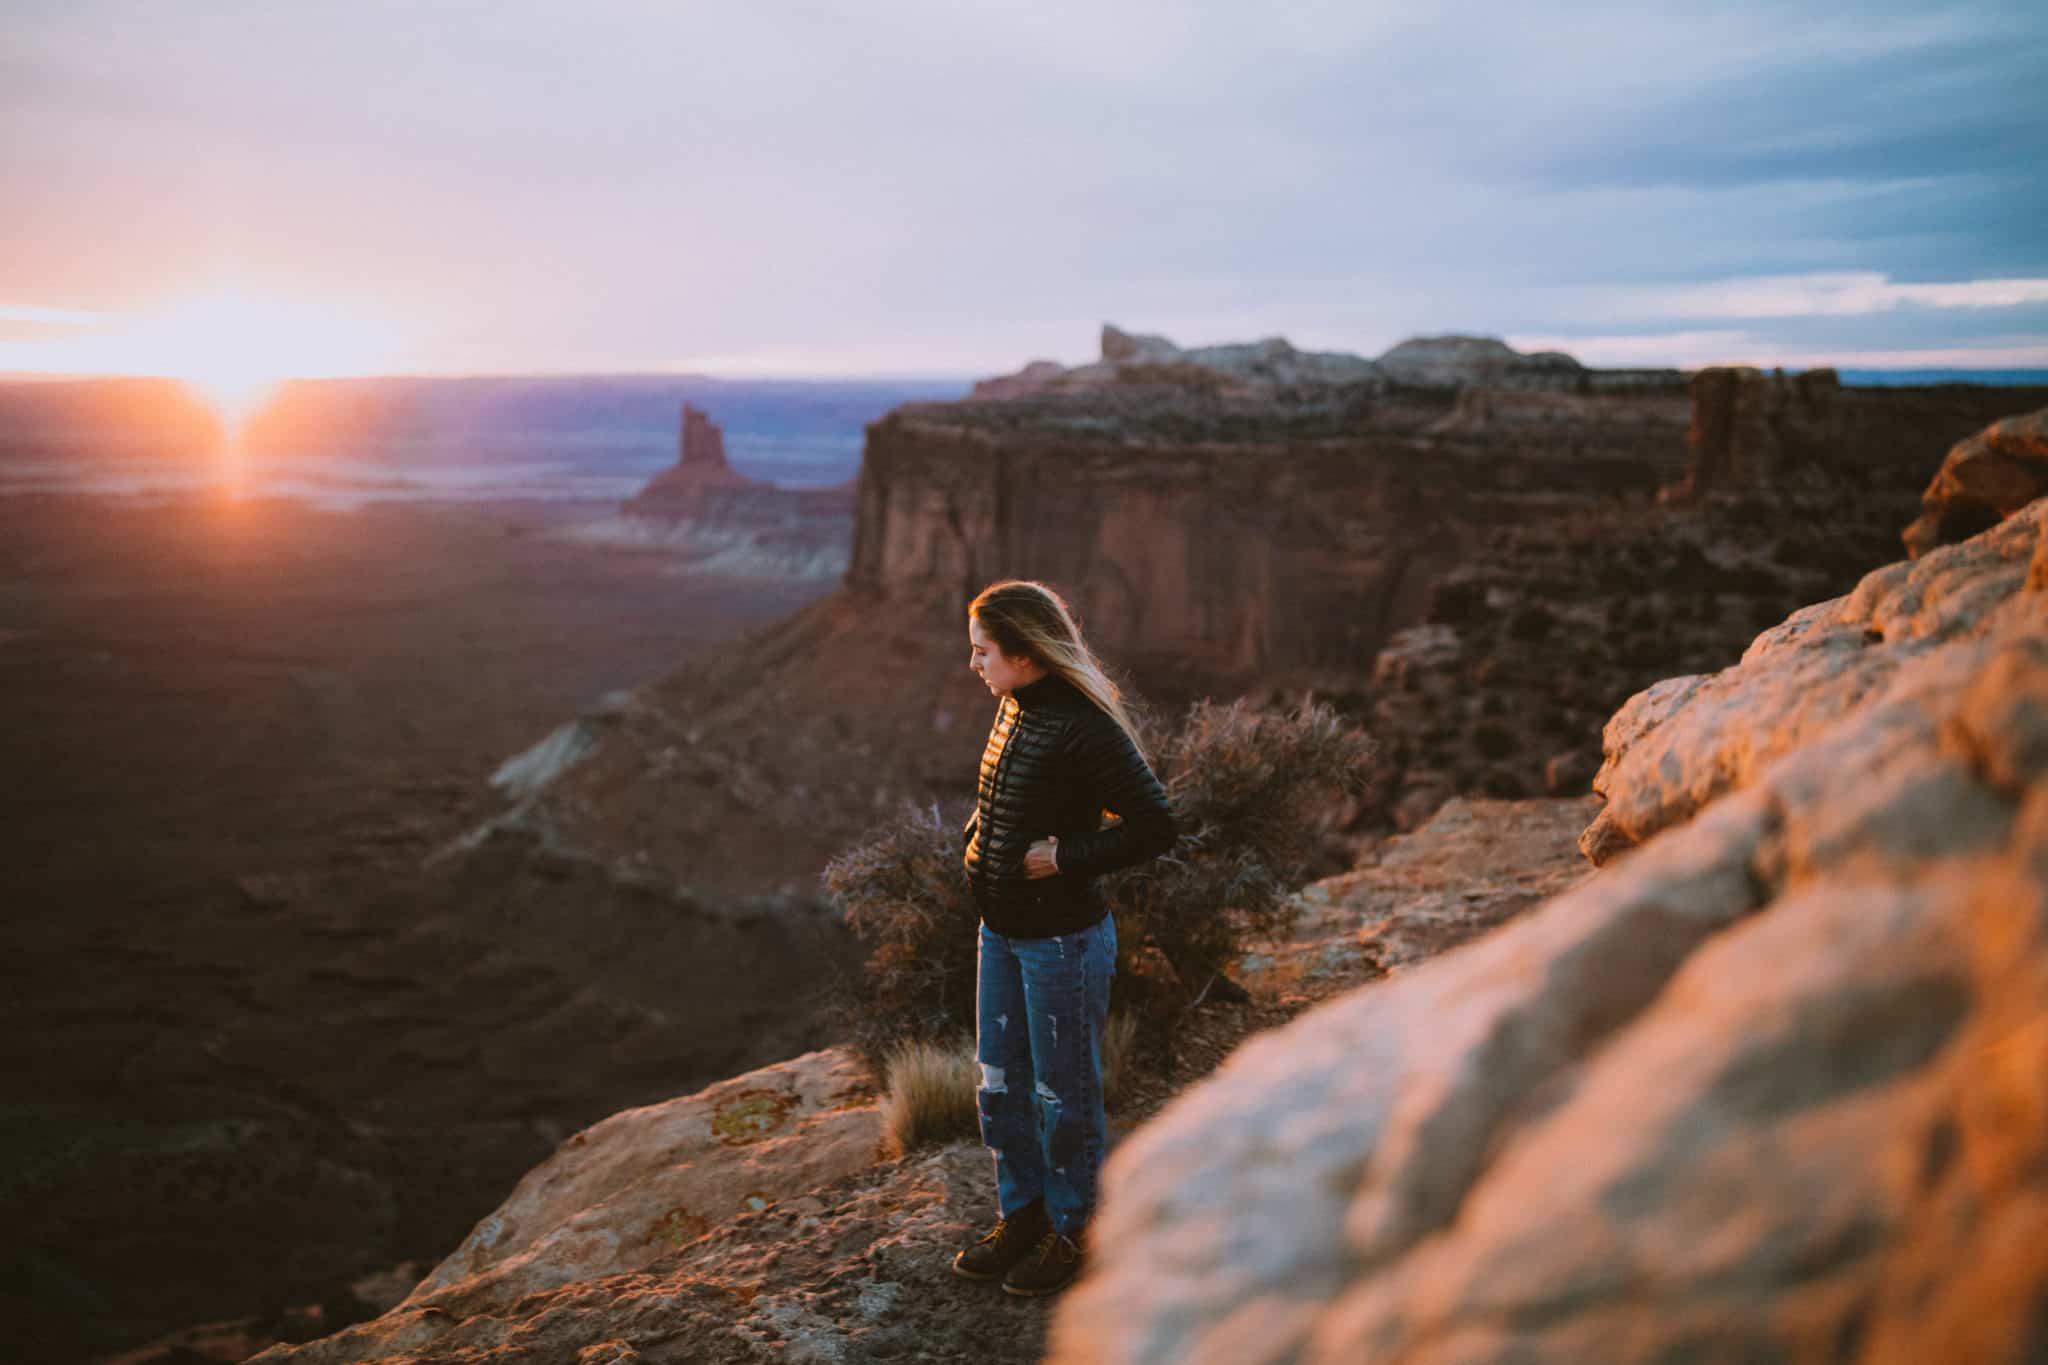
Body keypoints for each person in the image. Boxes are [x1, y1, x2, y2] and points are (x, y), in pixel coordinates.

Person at [949, 579, 1178, 1298]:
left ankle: (1076, 1228)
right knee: (1001, 1082)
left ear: (1024, 653)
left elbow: (1156, 823)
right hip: (1002, 932)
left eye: (984, 651)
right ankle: (1023, 1214)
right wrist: (979, 840)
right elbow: (1004, 795)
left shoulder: (1084, 726)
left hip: (1061, 943)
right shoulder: (1014, 707)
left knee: (1062, 1092)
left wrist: (1066, 857)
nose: (975, 664)